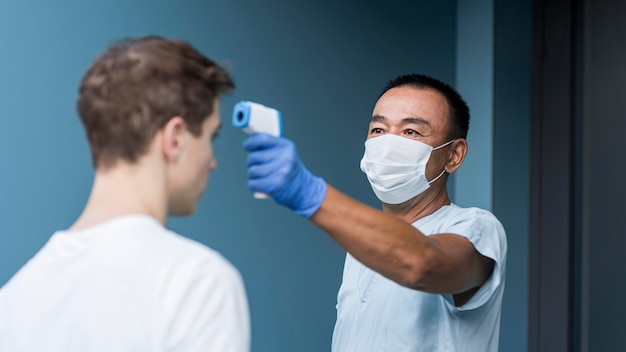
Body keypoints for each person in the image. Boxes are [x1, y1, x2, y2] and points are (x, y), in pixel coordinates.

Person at [0, 36, 250, 352]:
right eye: (211, 136)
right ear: (175, 139)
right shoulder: (197, 283)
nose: (212, 162)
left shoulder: (13, 301)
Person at [241, 73, 507, 351]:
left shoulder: (477, 228)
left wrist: (310, 193)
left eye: (410, 132)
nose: (388, 145)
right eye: (378, 130)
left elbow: (423, 265)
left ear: (453, 155)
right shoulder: (365, 245)